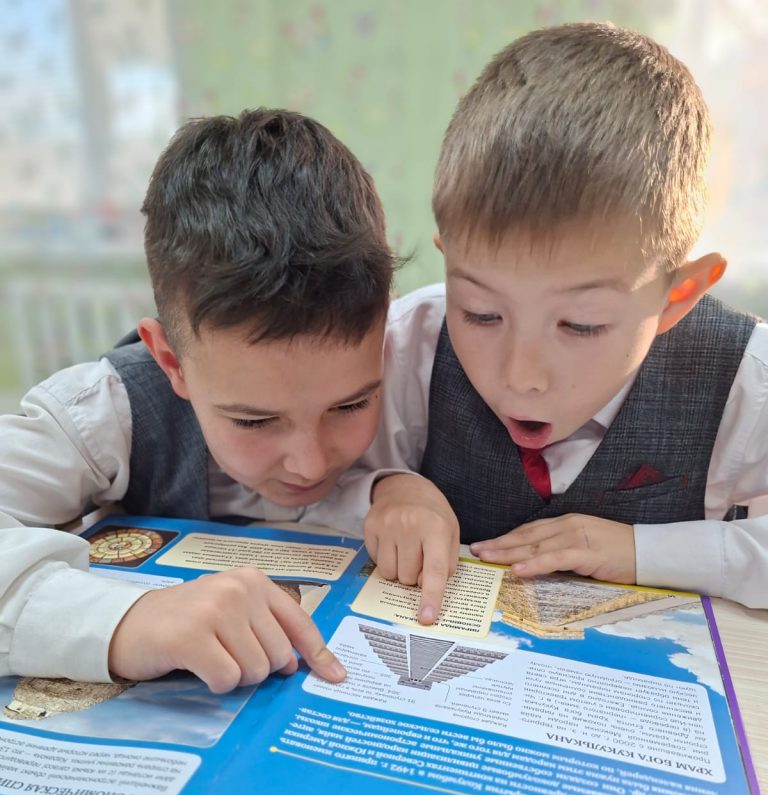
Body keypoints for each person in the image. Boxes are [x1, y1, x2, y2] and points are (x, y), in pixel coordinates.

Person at [0, 108, 458, 693]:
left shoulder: (412, 370)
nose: (309, 463)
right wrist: (129, 623)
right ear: (171, 362)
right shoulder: (104, 412)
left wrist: (389, 490)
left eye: (349, 407)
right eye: (254, 421)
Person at [370, 21, 768, 609]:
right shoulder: (410, 343)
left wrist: (641, 551)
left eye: (581, 325)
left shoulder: (745, 378)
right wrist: (386, 489)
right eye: (481, 313)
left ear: (676, 296)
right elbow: (305, 477)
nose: (522, 376)